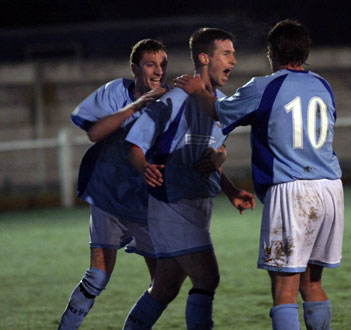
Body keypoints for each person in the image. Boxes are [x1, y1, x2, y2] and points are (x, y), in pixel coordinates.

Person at [175, 19, 344, 330]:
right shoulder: (323, 85)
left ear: (272, 52)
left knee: (284, 289)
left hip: (293, 190)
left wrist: (199, 91)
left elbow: (218, 111)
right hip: (331, 188)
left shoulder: (265, 87)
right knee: (312, 283)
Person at [58, 39, 227, 329]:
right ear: (135, 68)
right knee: (98, 276)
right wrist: (136, 106)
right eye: (151, 64)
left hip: (148, 204)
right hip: (109, 196)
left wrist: (219, 156)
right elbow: (94, 132)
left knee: (164, 285)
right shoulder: (116, 91)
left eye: (163, 64)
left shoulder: (173, 99)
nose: (158, 71)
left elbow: (205, 140)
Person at [122, 28, 256, 330]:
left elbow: (207, 156)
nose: (233, 60)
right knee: (208, 277)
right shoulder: (174, 98)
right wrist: (144, 167)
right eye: (226, 53)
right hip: (172, 202)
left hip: (198, 201)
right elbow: (133, 145)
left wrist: (230, 188)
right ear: (204, 58)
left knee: (165, 287)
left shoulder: (220, 102)